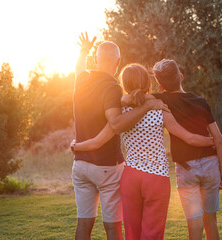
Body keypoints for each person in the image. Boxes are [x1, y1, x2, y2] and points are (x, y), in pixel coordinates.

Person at [72, 63, 215, 240]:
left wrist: (77, 146)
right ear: (148, 83)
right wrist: (213, 141)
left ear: (124, 85)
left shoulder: (120, 112)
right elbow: (187, 137)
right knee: (152, 233)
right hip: (156, 177)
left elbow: (98, 140)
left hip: (130, 177)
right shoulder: (160, 109)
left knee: (132, 231)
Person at [72, 33, 170, 240]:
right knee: (112, 226)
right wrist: (149, 105)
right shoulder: (112, 87)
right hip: (106, 166)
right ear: (117, 62)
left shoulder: (81, 79)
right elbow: (116, 123)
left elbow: (78, 67)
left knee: (83, 223)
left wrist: (84, 50)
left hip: (80, 165)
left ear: (97, 60)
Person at [152, 59, 222, 240]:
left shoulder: (161, 99)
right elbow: (219, 139)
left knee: (194, 222)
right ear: (181, 76)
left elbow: (134, 97)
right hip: (211, 165)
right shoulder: (200, 101)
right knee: (211, 220)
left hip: (186, 169)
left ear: (160, 86)